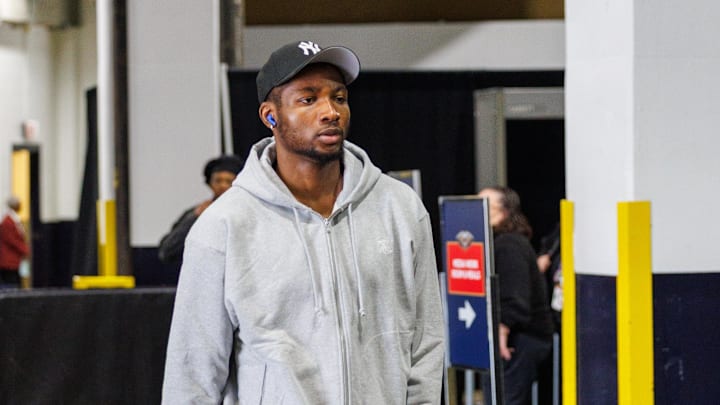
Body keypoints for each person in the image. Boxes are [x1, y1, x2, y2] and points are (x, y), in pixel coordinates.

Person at [161, 40, 445, 404]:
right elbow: (194, 368)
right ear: (271, 115)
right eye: (308, 99)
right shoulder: (225, 225)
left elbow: (425, 338)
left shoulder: (399, 207)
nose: (330, 112)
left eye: (339, 97)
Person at [477, 186, 554, 405]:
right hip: (510, 337)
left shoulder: (509, 244)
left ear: (503, 212)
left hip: (521, 339)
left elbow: (516, 298)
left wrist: (502, 330)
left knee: (505, 399)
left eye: (484, 206)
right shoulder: (494, 243)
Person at [157, 154, 244, 276]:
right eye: (218, 180)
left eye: (229, 181)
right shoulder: (197, 213)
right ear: (210, 183)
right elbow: (167, 252)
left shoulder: (246, 213)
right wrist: (195, 217)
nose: (223, 186)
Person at [0, 196, 30, 288]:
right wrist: (25, 250)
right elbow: (12, 240)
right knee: (10, 282)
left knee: (16, 280)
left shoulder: (14, 219)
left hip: (15, 258)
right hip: (8, 258)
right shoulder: (8, 221)